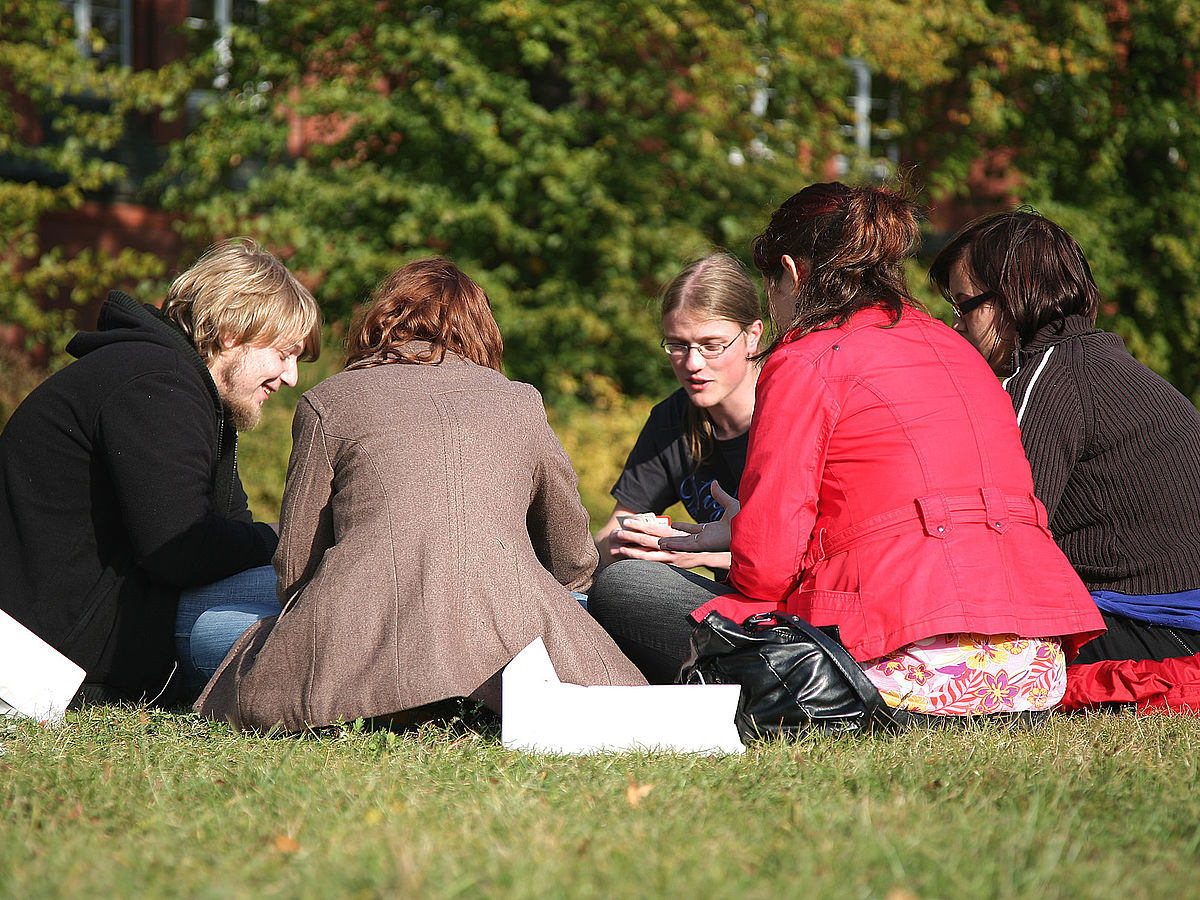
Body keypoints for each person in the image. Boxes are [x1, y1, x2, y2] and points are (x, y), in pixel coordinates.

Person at [589, 182, 1104, 721]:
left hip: (894, 670)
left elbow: (765, 573)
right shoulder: (959, 348)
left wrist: (742, 539)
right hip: (1034, 669)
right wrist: (736, 534)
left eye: (771, 288)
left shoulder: (807, 359)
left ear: (792, 272)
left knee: (627, 587)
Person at [195, 258, 646, 732]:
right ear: (481, 332)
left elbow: (294, 566)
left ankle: (393, 693)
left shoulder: (329, 401)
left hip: (359, 644)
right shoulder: (520, 401)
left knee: (202, 631)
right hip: (502, 644)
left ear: (381, 320)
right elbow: (573, 558)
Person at [0, 239, 321, 705]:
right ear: (233, 332)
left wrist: (272, 543)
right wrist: (282, 538)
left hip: (85, 634)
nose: (291, 377)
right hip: (49, 658)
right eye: (283, 353)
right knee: (295, 604)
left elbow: (230, 529)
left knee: (290, 586)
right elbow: (182, 549)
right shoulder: (156, 383)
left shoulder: (180, 386)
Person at [928, 210, 1200, 712]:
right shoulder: (1096, 362)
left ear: (1012, 298)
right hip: (1171, 622)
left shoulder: (1051, 379)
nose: (956, 324)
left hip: (1151, 634)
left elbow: (999, 532)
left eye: (965, 306)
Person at [593, 252, 763, 575]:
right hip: (723, 604)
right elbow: (614, 527)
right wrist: (622, 542)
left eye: (711, 345)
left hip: (791, 609)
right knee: (618, 586)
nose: (692, 364)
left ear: (752, 336)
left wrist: (700, 556)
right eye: (678, 345)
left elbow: (806, 561)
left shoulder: (790, 412)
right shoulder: (672, 420)